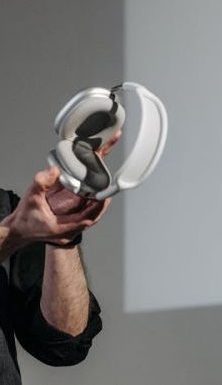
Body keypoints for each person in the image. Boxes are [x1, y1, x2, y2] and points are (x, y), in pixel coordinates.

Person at [0, 131, 121, 385]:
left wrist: (61, 235)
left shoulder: (7, 209)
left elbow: (63, 342)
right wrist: (12, 233)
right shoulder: (14, 224)